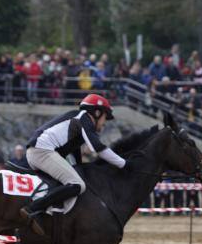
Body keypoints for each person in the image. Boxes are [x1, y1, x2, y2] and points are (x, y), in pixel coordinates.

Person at [20, 93, 127, 235]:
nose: (105, 122)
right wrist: (125, 164)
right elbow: (98, 148)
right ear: (96, 112)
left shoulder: (78, 122)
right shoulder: (84, 118)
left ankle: (50, 215)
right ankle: (32, 209)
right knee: (77, 185)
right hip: (42, 151)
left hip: (38, 151)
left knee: (71, 181)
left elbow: (75, 155)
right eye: (104, 117)